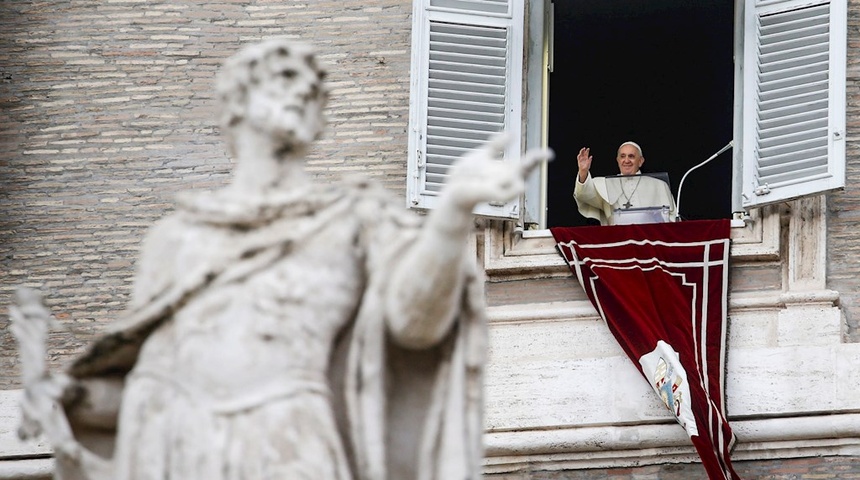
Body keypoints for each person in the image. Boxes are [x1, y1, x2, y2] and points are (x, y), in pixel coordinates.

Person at [9, 38, 552, 480]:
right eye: (285, 77)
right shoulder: (172, 239)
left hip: (287, 443)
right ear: (237, 100)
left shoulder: (351, 220)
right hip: (169, 447)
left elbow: (415, 325)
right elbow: (147, 385)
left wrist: (452, 214)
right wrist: (73, 395)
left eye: (314, 89)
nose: (305, 92)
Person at [573, 141, 677, 225]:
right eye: (622, 156)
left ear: (640, 161)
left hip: (651, 241)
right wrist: (583, 172)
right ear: (618, 160)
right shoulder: (605, 184)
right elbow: (585, 195)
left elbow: (672, 218)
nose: (626, 160)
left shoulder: (659, 185)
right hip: (618, 241)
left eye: (631, 156)